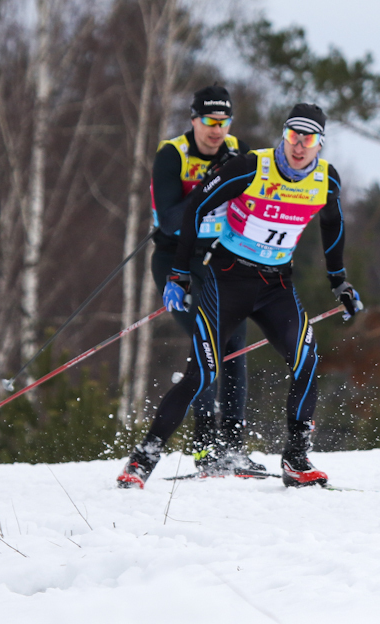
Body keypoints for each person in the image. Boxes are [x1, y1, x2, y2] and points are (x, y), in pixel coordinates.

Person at [118, 103, 363, 489]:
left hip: (276, 286)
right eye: (293, 136)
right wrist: (180, 273)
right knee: (203, 373)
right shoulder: (252, 166)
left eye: (309, 139)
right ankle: (142, 460)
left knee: (306, 359)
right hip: (227, 280)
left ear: (320, 144)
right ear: (285, 135)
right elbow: (195, 206)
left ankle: (296, 460)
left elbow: (332, 224)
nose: (299, 146)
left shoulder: (326, 180)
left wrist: (339, 281)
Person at [148, 85, 255, 475]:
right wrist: (212, 187)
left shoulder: (237, 151)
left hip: (221, 259)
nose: (216, 130)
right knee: (206, 336)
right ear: (193, 120)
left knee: (235, 344)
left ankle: (233, 446)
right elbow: (170, 220)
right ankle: (205, 444)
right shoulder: (171, 154)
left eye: (223, 122)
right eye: (209, 122)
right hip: (176, 261)